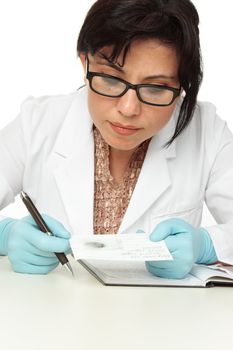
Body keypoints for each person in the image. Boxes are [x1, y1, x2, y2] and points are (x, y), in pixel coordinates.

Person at [0, 0, 233, 278]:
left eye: (156, 87)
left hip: (162, 318)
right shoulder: (37, 123)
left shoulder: (206, 131)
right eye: (111, 79)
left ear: (182, 85)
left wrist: (207, 245)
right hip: (53, 315)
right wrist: (5, 235)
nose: (128, 109)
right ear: (85, 62)